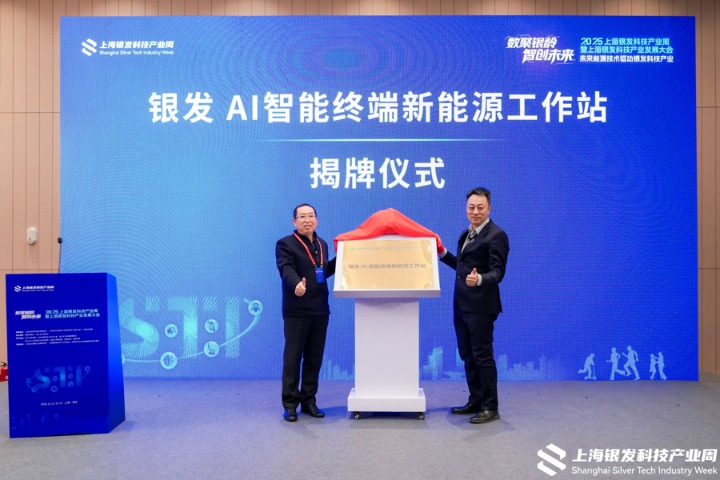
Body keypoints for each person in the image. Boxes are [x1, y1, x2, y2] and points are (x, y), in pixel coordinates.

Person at [438, 187, 509, 424]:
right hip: (461, 305)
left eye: (480, 207)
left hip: (481, 307)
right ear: (466, 209)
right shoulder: (466, 233)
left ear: (489, 209)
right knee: (467, 355)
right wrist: (443, 253)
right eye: (471, 207)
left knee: (482, 356)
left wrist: (479, 279)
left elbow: (498, 272)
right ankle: (476, 400)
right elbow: (462, 266)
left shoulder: (497, 235)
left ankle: (490, 407)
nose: (475, 211)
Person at [275, 203, 336, 422]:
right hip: (297, 310)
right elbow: (286, 268)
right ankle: (290, 405)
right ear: (294, 221)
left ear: (317, 220)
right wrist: (296, 285)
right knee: (293, 359)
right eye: (302, 216)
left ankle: (309, 401)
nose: (307, 220)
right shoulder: (285, 244)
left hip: (320, 309)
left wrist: (346, 257)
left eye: (311, 216)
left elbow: (323, 271)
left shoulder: (322, 244)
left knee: (314, 358)